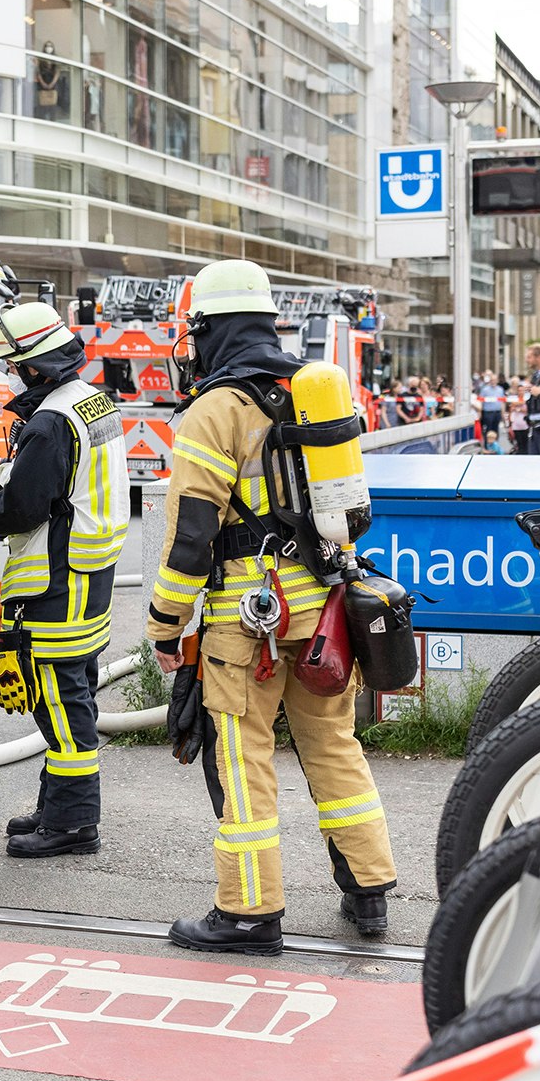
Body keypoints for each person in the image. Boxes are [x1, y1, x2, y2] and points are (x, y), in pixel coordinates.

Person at [150, 258, 398, 955]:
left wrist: (167, 625)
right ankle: (370, 891)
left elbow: (192, 532)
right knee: (334, 749)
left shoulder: (214, 410)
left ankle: (249, 914)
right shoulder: (309, 392)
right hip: (322, 609)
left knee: (242, 759)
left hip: (245, 619)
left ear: (210, 332)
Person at [0, 301, 130, 858]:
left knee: (60, 702)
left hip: (55, 579)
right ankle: (56, 806)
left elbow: (19, 511)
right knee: (71, 693)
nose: (12, 376)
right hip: (90, 573)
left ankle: (72, 824)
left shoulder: (49, 424)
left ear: (35, 367)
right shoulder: (90, 402)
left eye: (16, 367)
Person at [475, 370, 504, 450]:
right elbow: (480, 401)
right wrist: (480, 412)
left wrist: (502, 413)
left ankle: (495, 446)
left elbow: (502, 402)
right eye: (492, 380)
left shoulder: (500, 389)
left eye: (495, 380)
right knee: (488, 430)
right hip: (488, 413)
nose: (493, 381)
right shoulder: (485, 390)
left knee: (496, 430)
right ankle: (487, 447)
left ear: (497, 381)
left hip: (497, 412)